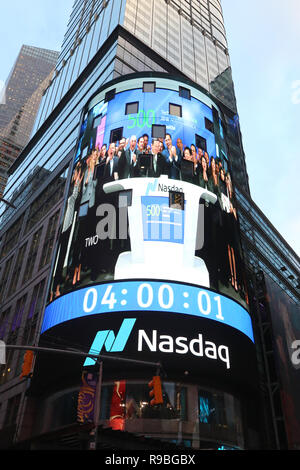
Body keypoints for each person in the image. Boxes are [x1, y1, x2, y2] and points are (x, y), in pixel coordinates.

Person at [51, 161, 83, 300]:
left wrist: (79, 184)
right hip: (63, 228)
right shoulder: (69, 190)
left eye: (79, 174)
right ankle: (54, 289)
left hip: (69, 226)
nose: (78, 176)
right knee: (59, 259)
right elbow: (73, 199)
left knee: (63, 257)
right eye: (77, 173)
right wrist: (77, 183)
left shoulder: (74, 189)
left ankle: (56, 288)